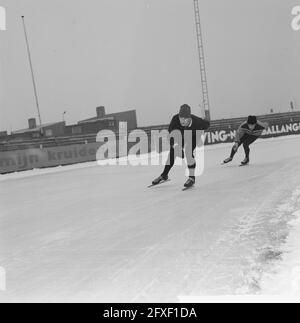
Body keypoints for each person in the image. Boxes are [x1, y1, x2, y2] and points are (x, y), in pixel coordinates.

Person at [152, 104, 210, 188]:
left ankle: (191, 177)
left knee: (188, 152)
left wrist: (206, 121)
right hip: (179, 135)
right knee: (172, 153)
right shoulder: (175, 119)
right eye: (180, 117)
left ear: (189, 118)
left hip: (193, 135)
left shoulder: (197, 121)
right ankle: (164, 175)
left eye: (185, 118)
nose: (182, 120)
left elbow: (206, 124)